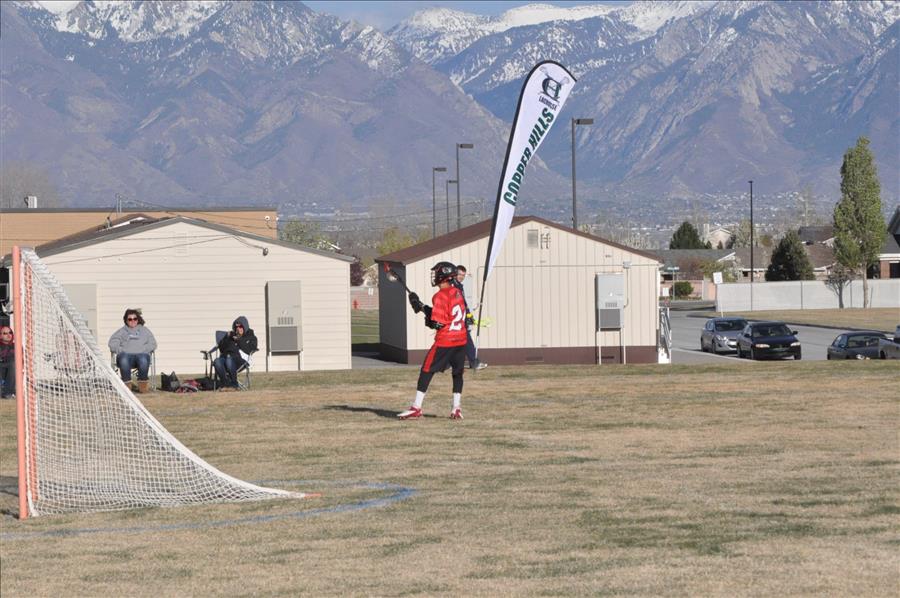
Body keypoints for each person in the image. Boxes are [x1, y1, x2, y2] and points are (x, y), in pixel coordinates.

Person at [400, 262, 468, 420]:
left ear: (443, 275)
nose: (434, 276)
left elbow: (437, 323)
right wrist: (422, 307)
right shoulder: (457, 292)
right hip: (461, 339)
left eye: (436, 273)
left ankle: (416, 407)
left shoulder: (440, 295)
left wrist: (423, 312)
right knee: (457, 373)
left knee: (426, 370)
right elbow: (447, 314)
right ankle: (456, 408)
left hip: (446, 341)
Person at [108, 309, 157, 393]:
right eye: (130, 319)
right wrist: (121, 350)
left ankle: (143, 387)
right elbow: (112, 343)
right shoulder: (121, 331)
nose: (133, 321)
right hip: (126, 356)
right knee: (124, 359)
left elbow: (153, 343)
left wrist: (144, 350)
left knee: (143, 359)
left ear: (138, 319)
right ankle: (127, 388)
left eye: (135, 318)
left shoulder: (145, 330)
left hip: (142, 355)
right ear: (126, 320)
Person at [454, 265, 487, 371]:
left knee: (466, 340)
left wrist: (468, 315)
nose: (461, 277)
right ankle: (473, 362)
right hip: (456, 319)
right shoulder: (453, 286)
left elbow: (463, 302)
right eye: (459, 274)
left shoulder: (460, 286)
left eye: (463, 275)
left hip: (461, 318)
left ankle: (473, 362)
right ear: (455, 273)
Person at [213, 316, 257, 391]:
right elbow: (222, 348)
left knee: (229, 359)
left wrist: (239, 339)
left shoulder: (251, 337)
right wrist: (226, 337)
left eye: (240, 327)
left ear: (245, 327)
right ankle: (225, 384)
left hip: (241, 360)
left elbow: (249, 349)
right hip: (226, 357)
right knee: (217, 361)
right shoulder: (231, 336)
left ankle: (234, 384)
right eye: (236, 327)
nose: (238, 329)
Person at [0, 326, 15, 399]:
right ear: (0, 336)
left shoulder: (16, 346)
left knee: (13, 363)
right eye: (5, 333)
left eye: (10, 332)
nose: (9, 335)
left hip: (11, 369)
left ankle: (8, 392)